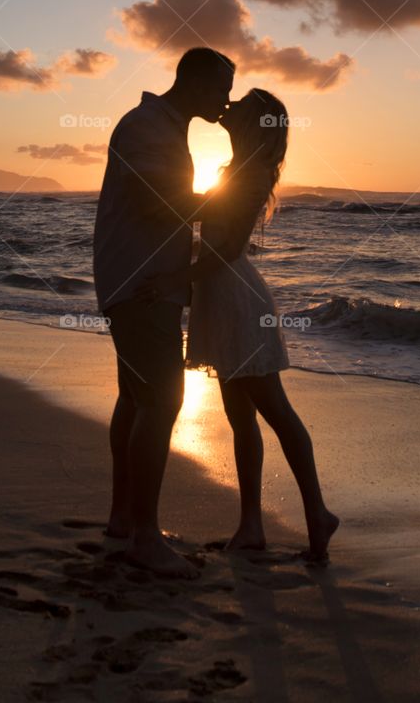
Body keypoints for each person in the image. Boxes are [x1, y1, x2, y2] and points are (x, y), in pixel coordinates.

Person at [138, 88, 339, 563]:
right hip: (222, 299)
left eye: (243, 102)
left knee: (276, 412)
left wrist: (175, 276)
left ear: (258, 122)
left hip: (237, 303)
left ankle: (318, 514)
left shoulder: (251, 176)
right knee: (240, 419)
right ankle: (251, 525)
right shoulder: (236, 171)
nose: (230, 104)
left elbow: (226, 250)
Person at [93, 47, 235, 578]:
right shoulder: (148, 126)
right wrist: (232, 201)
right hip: (143, 283)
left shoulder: (159, 125)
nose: (226, 100)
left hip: (134, 279)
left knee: (135, 398)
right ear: (196, 82)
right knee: (161, 399)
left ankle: (124, 519)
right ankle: (145, 536)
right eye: (222, 89)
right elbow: (158, 202)